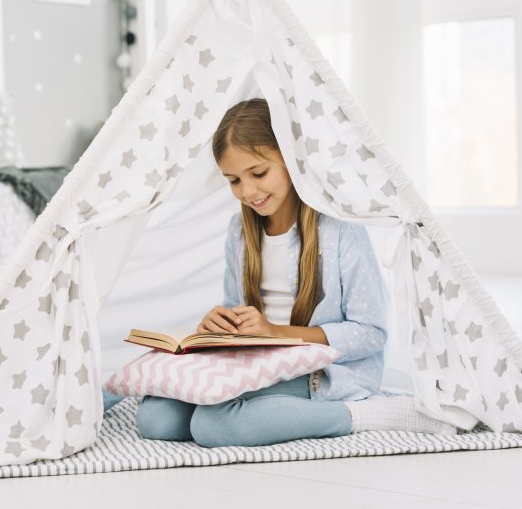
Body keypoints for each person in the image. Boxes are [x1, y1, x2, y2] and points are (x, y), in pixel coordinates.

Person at [133, 98, 454, 446]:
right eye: (234, 180)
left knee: (215, 424)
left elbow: (370, 333)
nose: (248, 191)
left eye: (258, 173)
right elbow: (239, 312)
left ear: (291, 159)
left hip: (319, 369)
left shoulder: (340, 230)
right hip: (255, 360)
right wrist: (220, 326)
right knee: (158, 420)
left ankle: (364, 415)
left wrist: (277, 333)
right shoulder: (239, 233)